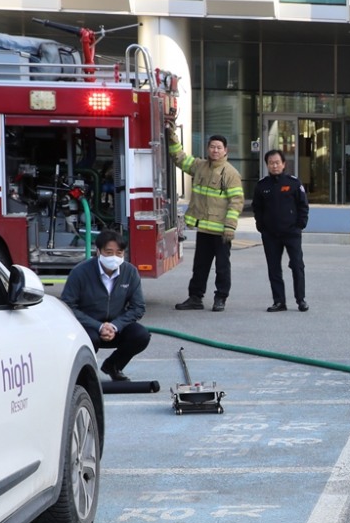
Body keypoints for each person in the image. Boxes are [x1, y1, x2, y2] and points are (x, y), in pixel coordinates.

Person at [169, 123, 243, 312]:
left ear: (225, 150)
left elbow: (236, 202)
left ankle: (220, 298)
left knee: (222, 267)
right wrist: (172, 137)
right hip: (204, 229)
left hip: (221, 231)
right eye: (212, 147)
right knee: (199, 266)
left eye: (219, 147)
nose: (215, 150)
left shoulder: (231, 173)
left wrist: (230, 227)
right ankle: (195, 298)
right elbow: (180, 159)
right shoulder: (200, 166)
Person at [59, 229, 151, 381]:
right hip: (89, 327)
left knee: (141, 335)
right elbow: (68, 306)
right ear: (98, 252)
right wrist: (98, 326)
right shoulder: (80, 272)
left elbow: (138, 307)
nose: (114, 257)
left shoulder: (130, 272)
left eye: (119, 252)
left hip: (116, 327)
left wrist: (115, 326)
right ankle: (84, 373)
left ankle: (113, 366)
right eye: (108, 252)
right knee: (89, 339)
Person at [251, 149, 309, 313]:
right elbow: (257, 208)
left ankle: (301, 300)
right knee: (274, 268)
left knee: (297, 266)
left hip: (291, 233)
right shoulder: (262, 186)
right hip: (270, 235)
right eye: (271, 163)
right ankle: (279, 301)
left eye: (277, 162)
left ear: (284, 164)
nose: (274, 165)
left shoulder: (293, 183)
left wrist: (300, 225)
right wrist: (261, 226)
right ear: (267, 165)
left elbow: (303, 206)